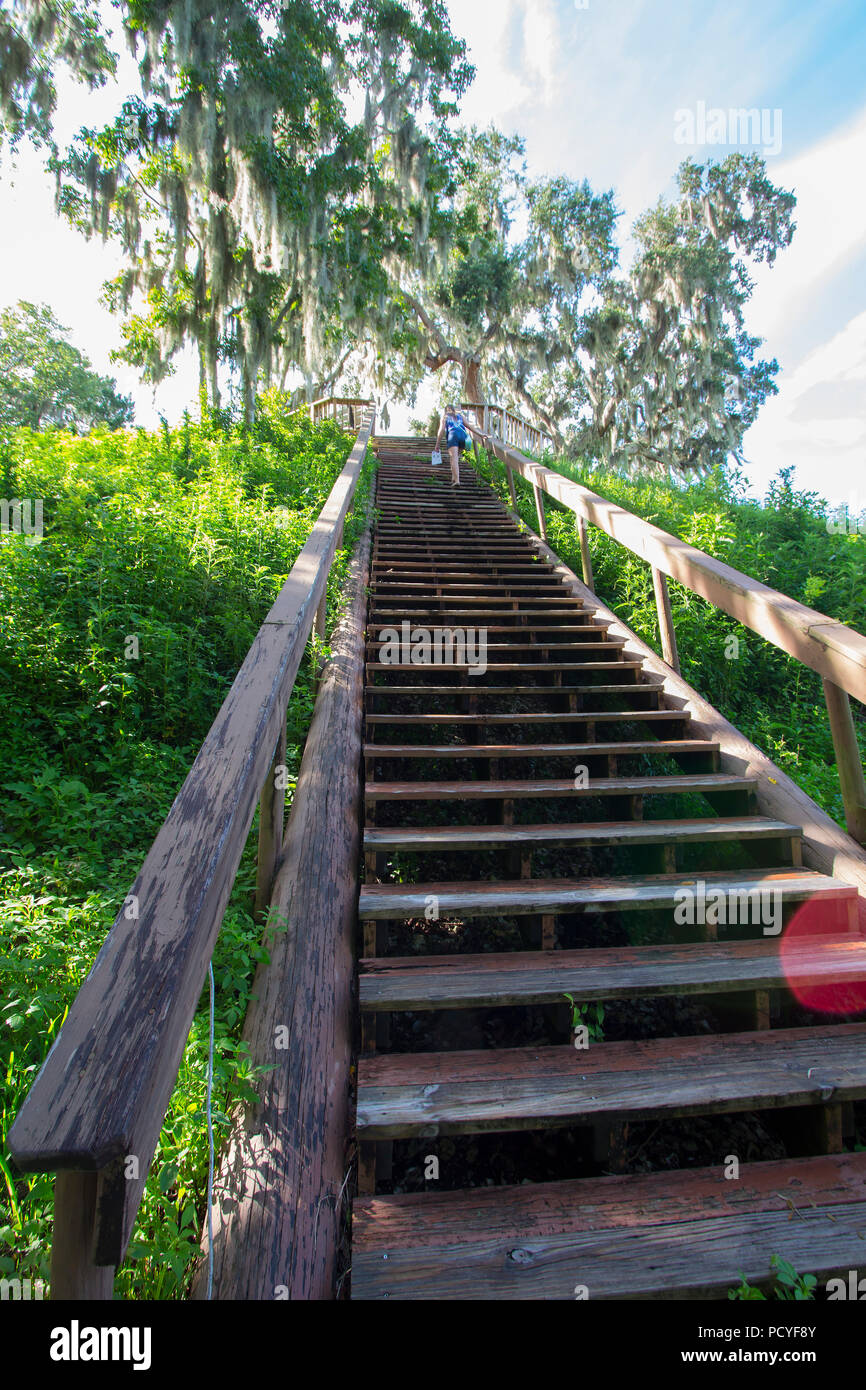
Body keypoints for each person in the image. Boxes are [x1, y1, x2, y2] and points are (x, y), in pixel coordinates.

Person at [435, 404, 471, 486]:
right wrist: (480, 434)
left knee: (454, 458)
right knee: (454, 458)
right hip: (463, 437)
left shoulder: (445, 417)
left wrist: (437, 444)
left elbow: (441, 431)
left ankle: (457, 480)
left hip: (453, 436)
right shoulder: (460, 416)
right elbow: (469, 426)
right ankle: (453, 479)